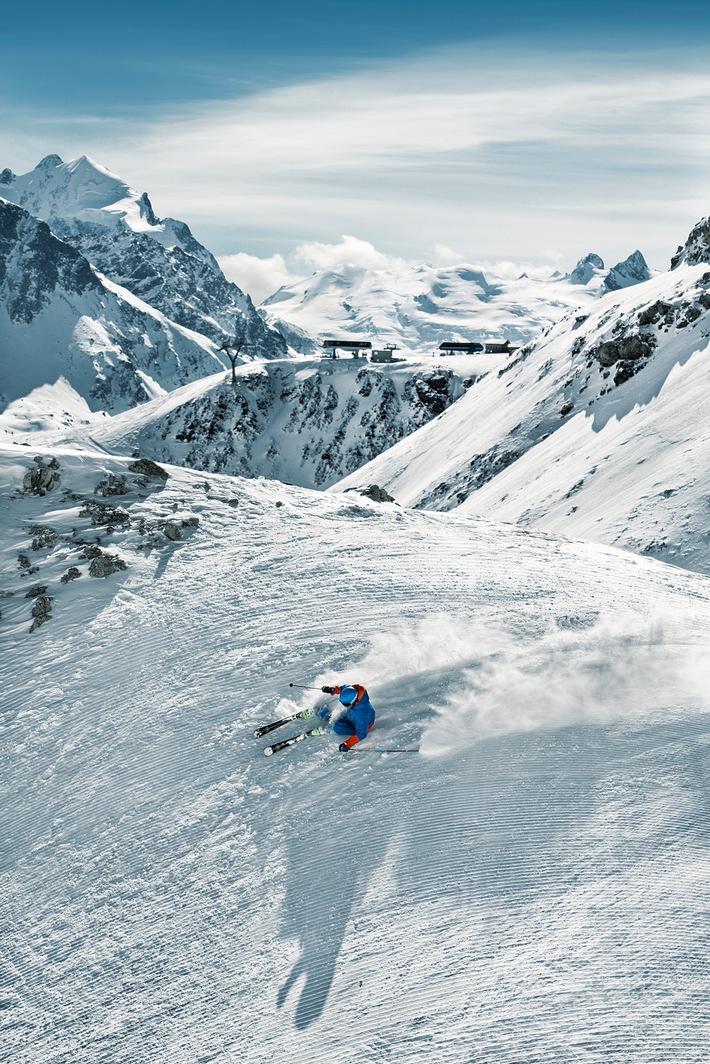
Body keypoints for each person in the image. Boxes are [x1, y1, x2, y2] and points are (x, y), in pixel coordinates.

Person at [319, 683, 375, 751]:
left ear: (354, 701)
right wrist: (332, 690)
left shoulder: (362, 715)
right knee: (337, 718)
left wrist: (348, 744)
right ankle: (321, 714)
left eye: (346, 704)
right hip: (351, 716)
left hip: (357, 727)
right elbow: (342, 689)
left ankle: (328, 730)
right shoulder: (353, 691)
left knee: (337, 728)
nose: (344, 705)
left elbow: (362, 733)